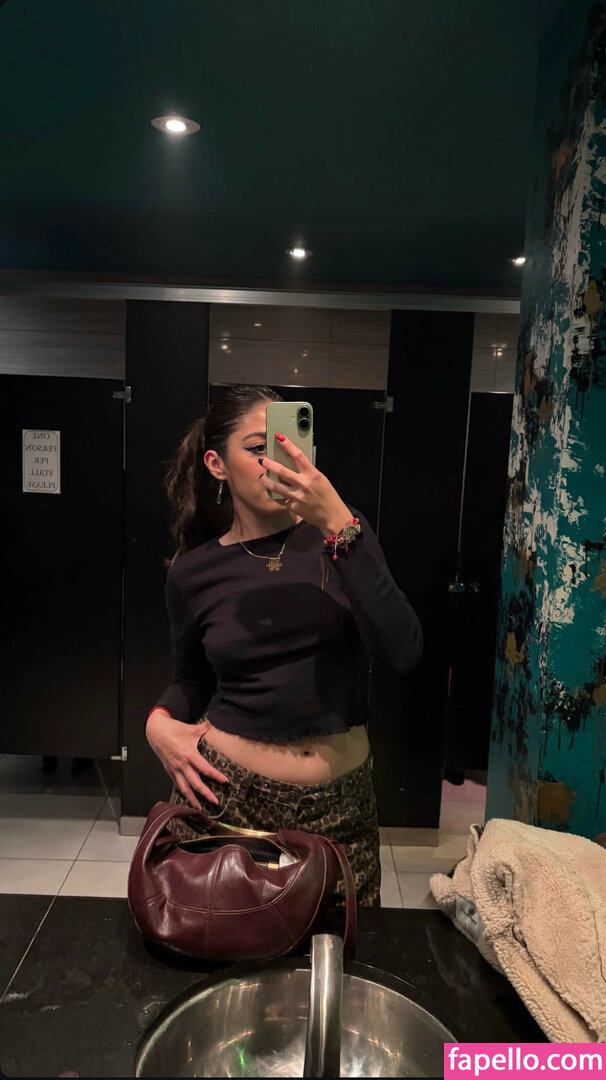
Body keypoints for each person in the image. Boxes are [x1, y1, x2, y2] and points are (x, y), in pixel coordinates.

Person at [145, 385, 423, 907]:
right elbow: (191, 680)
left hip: (341, 808)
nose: (276, 461)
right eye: (257, 448)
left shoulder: (343, 536)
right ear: (216, 464)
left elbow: (402, 650)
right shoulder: (194, 573)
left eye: (286, 445)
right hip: (229, 800)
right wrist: (157, 722)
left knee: (344, 946)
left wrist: (339, 524)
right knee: (221, 946)